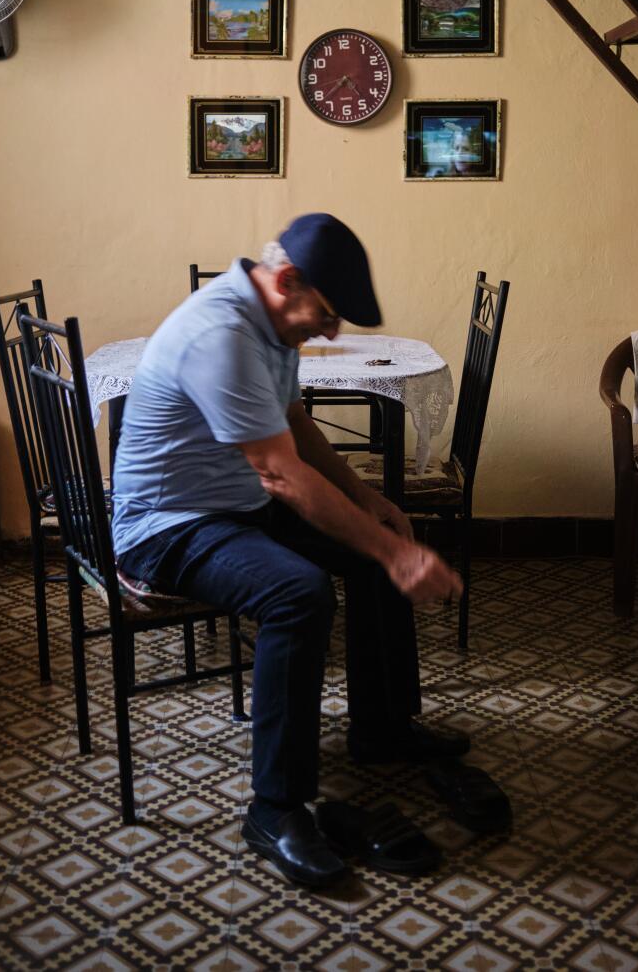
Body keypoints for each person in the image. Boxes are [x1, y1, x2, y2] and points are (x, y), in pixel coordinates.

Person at [112, 213, 466, 888]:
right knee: (298, 593)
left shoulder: (271, 324)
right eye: (327, 315)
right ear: (287, 280)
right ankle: (274, 809)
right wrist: (396, 557)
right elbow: (280, 475)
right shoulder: (221, 335)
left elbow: (295, 424)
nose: (330, 332)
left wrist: (366, 501)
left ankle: (382, 729)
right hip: (167, 526)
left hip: (233, 506)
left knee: (375, 543)